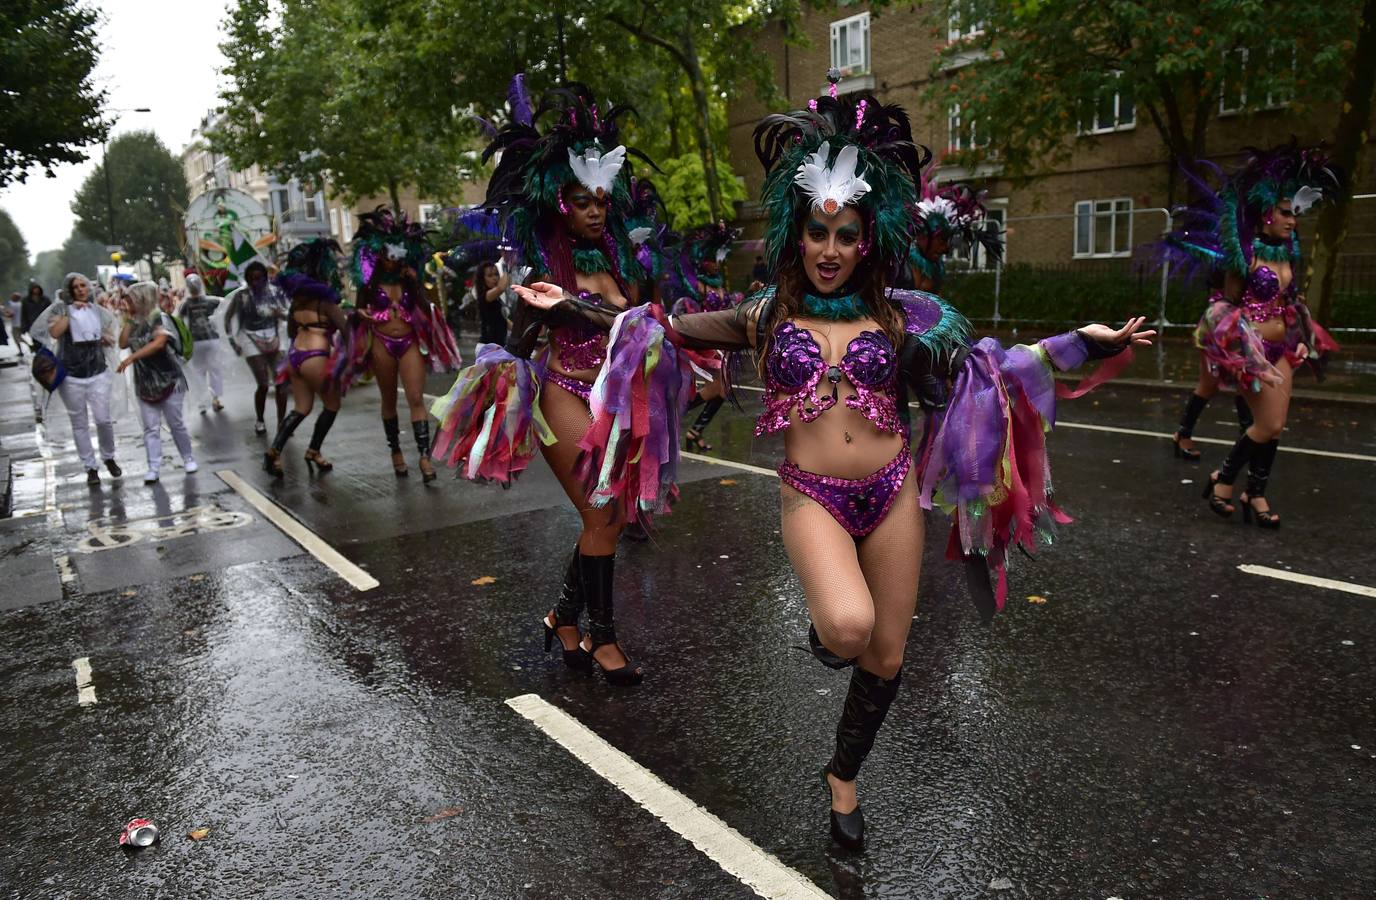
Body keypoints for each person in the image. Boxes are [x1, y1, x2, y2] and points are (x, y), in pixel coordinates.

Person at [513, 72, 1153, 850]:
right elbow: (655, 329)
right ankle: (825, 636)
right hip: (812, 494)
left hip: (891, 492)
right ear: (797, 232)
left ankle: (842, 776)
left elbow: (990, 370)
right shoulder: (764, 313)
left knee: (889, 650)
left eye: (846, 235)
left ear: (868, 237)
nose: (830, 250)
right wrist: (567, 306)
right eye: (818, 233)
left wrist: (1083, 341)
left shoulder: (905, 316)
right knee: (849, 627)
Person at [431, 75, 658, 685]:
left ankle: (563, 615)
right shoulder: (541, 267)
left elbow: (637, 327)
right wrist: (531, 317)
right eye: (582, 200)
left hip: (613, 403)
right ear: (561, 202)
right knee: (602, 512)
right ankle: (603, 639)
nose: (593, 210)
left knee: (602, 519)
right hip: (563, 395)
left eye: (601, 200)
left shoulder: (617, 261)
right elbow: (519, 343)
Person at [1161, 143, 1342, 527]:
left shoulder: (1288, 249)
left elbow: (1288, 296)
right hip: (1252, 351)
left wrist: (1303, 329)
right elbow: (1222, 307)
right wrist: (1233, 346)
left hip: (1282, 347)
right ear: (1264, 215)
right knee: (1267, 425)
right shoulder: (1241, 256)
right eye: (1285, 213)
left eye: (1295, 213)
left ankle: (1255, 493)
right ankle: (1224, 479)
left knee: (1274, 428)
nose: (1293, 220)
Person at [341, 208, 461, 481]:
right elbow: (359, 310)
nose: (392, 260)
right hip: (381, 342)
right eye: (387, 254)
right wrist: (361, 314)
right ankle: (395, 451)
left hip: (408, 341)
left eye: (397, 254)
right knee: (390, 399)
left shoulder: (409, 279)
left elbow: (423, 305)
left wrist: (414, 282)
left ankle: (423, 457)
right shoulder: (370, 284)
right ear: (379, 254)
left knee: (416, 398)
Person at [264, 239, 349, 477]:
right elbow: (346, 331)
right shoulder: (325, 301)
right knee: (332, 405)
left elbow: (291, 331)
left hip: (294, 357)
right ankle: (313, 450)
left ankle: (275, 449)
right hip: (315, 355)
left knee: (302, 407)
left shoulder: (296, 302)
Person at [29, 274, 123, 484]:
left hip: (98, 371)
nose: (81, 289)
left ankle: (109, 457)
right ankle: (90, 466)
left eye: (84, 286)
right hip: (71, 376)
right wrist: (71, 312)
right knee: (79, 422)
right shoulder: (60, 309)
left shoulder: (96, 310)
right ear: (69, 290)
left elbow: (111, 337)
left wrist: (102, 337)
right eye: (76, 287)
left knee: (103, 419)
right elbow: (54, 332)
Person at [664, 222, 744, 452]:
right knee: (718, 388)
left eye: (718, 258)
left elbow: (729, 308)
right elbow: (686, 312)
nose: (716, 263)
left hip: (720, 343)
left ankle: (694, 430)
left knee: (722, 389)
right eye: (711, 258)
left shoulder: (718, 285)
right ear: (702, 260)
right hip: (703, 343)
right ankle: (671, 416)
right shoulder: (697, 286)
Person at [117, 282, 196, 483]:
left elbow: (159, 343)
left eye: (130, 299)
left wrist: (132, 358)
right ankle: (153, 467)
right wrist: (128, 318)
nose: (127, 302)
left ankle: (188, 458)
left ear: (141, 299)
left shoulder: (159, 318)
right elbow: (123, 343)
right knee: (150, 427)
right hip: (145, 381)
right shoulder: (134, 322)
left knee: (175, 423)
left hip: (169, 378)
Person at [223, 260, 289, 434]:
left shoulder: (276, 293)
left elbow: (289, 315)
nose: (255, 282)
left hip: (274, 336)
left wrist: (279, 313)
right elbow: (227, 318)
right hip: (250, 337)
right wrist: (233, 342)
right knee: (263, 384)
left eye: (259, 278)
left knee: (281, 383)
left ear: (265, 278)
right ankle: (260, 420)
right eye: (251, 279)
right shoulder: (241, 296)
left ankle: (283, 423)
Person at [909, 180, 1003, 293]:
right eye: (941, 240)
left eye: (948, 241)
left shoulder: (936, 269)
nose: (946, 249)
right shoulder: (900, 268)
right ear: (921, 236)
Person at [177, 273, 225, 413]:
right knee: (215, 369)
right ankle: (215, 399)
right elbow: (225, 302)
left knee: (199, 372)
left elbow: (179, 322)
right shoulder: (211, 301)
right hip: (212, 340)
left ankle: (202, 402)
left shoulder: (185, 305)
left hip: (195, 342)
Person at [475, 261, 510, 346]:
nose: (495, 278)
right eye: (490, 275)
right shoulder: (486, 296)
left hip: (498, 345)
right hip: (488, 347)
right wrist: (508, 266)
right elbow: (501, 287)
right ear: (482, 279)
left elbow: (503, 319)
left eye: (496, 274)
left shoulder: (496, 298)